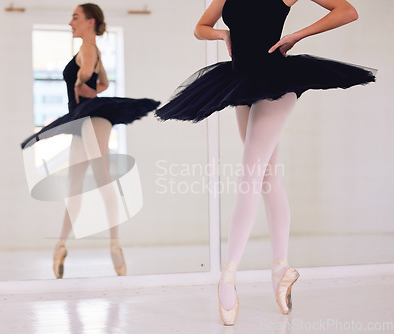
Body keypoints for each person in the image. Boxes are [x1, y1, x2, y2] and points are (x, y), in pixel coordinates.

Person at [155, 0, 376, 326]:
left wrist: (296, 36)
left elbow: (346, 10)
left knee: (250, 174)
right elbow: (200, 27)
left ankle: (228, 275)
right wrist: (223, 35)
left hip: (276, 79)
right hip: (240, 80)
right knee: (267, 175)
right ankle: (280, 269)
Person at [21, 3, 160, 278]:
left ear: (90, 21)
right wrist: (87, 83)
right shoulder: (91, 50)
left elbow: (87, 74)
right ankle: (64, 245)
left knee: (101, 178)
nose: (70, 22)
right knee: (77, 185)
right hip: (82, 121)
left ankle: (112, 245)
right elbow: (104, 83)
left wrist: (81, 81)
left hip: (92, 119)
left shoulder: (87, 50)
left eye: (75, 17)